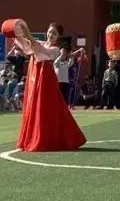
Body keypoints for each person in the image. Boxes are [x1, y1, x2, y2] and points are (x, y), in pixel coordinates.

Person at [5, 18, 86, 152]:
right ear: (46, 32)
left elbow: (38, 51)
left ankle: (48, 139)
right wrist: (15, 33)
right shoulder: (40, 42)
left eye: (54, 33)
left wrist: (27, 33)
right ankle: (31, 138)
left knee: (46, 108)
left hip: (46, 80)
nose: (51, 35)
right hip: (34, 76)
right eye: (50, 32)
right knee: (33, 106)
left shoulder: (55, 50)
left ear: (58, 37)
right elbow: (26, 47)